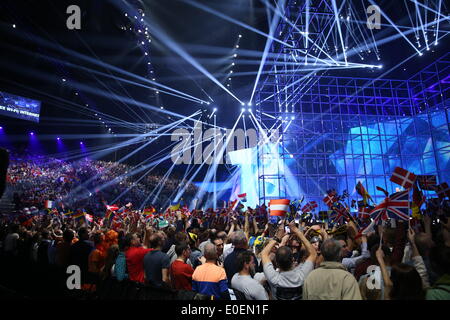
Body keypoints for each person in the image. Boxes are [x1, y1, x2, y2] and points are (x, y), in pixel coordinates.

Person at [261, 221, 316, 300]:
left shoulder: (273, 278)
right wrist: (296, 230)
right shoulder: (301, 276)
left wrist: (277, 238)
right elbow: (313, 253)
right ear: (293, 259)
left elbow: (264, 253)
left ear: (277, 263)